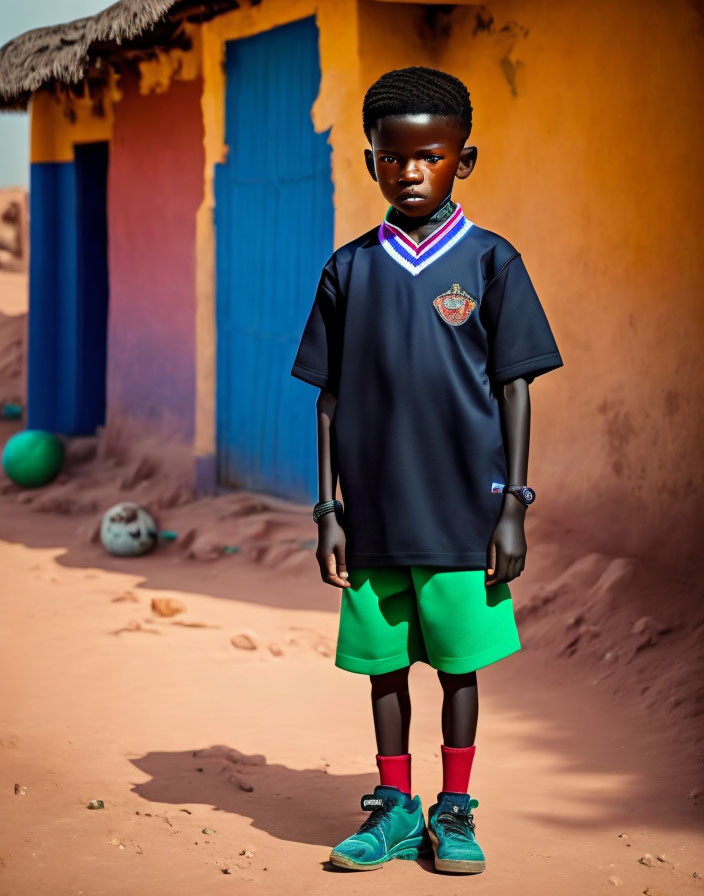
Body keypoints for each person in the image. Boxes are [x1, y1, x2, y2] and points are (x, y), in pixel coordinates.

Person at [290, 65, 563, 874]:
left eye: (430, 157)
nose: (410, 172)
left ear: (462, 161)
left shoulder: (490, 262)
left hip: (463, 517)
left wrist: (513, 504)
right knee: (383, 670)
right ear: (371, 159)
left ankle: (455, 809)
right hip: (370, 516)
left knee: (457, 668)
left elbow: (515, 387)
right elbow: (329, 402)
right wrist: (327, 511)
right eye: (391, 158)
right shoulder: (348, 268)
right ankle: (394, 810)